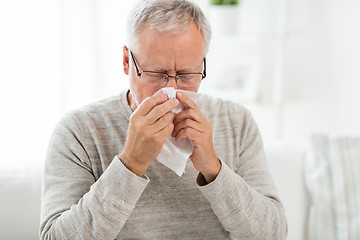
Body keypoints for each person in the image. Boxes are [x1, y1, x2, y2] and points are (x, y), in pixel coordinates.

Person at [40, 0, 287, 239]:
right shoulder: (79, 131)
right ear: (127, 61)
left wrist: (213, 168)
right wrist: (131, 163)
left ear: (203, 63)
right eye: (156, 74)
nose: (171, 89)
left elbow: (272, 234)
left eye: (187, 74)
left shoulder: (236, 122)